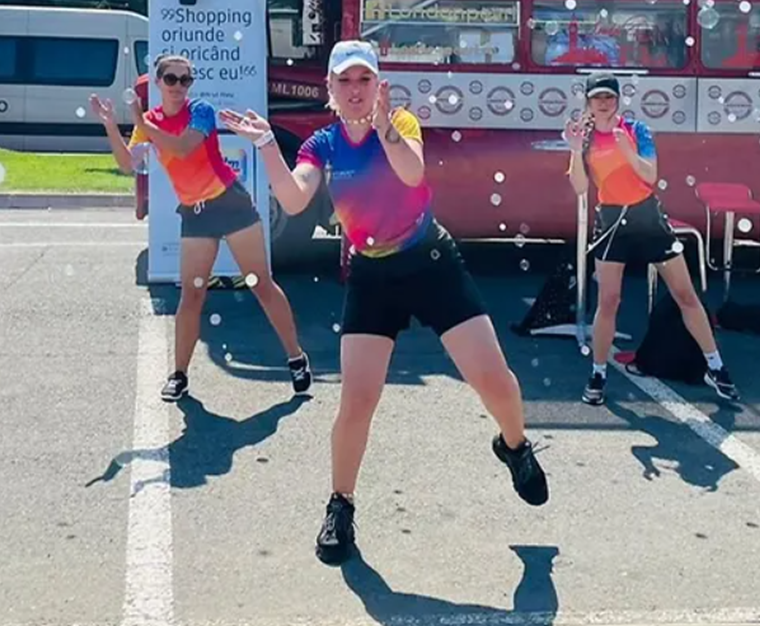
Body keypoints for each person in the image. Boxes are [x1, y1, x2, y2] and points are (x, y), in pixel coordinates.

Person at [219, 40, 549, 565]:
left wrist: (385, 127)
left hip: (431, 262)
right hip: (372, 274)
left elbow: (412, 172)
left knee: (496, 381)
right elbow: (295, 198)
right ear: (330, 89)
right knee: (357, 401)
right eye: (344, 81)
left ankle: (514, 446)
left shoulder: (400, 124)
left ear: (378, 86)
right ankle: (340, 504)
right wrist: (265, 145)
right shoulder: (323, 145)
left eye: (364, 80)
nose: (355, 90)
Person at [92, 54, 312, 401]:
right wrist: (110, 124)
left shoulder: (201, 110)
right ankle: (179, 374)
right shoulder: (149, 121)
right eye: (171, 79)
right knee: (192, 294)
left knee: (260, 284)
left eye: (185, 80)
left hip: (231, 203)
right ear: (158, 81)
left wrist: (141, 122)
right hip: (195, 213)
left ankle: (296, 358)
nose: (178, 86)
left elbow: (182, 147)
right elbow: (127, 163)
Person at [564, 73, 737, 404]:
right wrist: (574, 151)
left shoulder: (637, 130)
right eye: (597, 98)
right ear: (587, 103)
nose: (603, 103)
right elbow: (580, 188)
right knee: (609, 300)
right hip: (612, 220)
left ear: (618, 100)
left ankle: (715, 366)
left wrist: (628, 152)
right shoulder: (584, 139)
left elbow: (650, 175)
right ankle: (598, 373)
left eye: (609, 97)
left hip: (647, 217)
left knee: (685, 294)